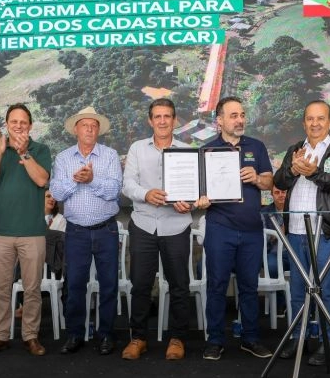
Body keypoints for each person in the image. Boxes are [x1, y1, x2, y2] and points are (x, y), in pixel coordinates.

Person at [121, 98, 209, 360]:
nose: (162, 121)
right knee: (140, 285)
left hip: (176, 225)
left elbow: (197, 189)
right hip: (144, 224)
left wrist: (189, 203)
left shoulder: (188, 151)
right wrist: (146, 194)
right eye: (157, 116)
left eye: (167, 116)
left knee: (179, 285)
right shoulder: (137, 149)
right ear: (150, 121)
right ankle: (138, 338)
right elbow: (127, 185)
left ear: (174, 120)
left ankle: (178, 339)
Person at [273, 100, 330, 365]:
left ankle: (329, 342)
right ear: (304, 122)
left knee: (326, 289)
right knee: (297, 290)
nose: (315, 123)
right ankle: (299, 338)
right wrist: (292, 169)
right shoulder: (295, 149)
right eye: (310, 119)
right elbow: (279, 181)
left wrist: (314, 173)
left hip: (325, 230)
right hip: (295, 230)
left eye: (320, 119)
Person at [202, 96, 274, 360]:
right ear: (219, 120)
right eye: (233, 115)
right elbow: (200, 191)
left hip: (252, 230)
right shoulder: (207, 150)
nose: (240, 120)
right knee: (217, 285)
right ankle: (215, 340)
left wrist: (256, 178)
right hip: (219, 228)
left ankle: (251, 338)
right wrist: (201, 199)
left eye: (242, 114)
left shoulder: (256, 146)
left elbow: (269, 181)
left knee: (249, 286)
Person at [0, 103, 51, 357]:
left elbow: (42, 180)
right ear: (7, 124)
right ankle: (0, 336)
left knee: (32, 288)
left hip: (33, 231)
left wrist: (24, 153)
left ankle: (30, 336)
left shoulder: (41, 149)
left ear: (30, 125)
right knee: (0, 287)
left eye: (23, 122)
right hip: (2, 232)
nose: (19, 126)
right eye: (14, 122)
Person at [50, 106, 122, 355]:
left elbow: (114, 191)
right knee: (74, 285)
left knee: (109, 285)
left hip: (106, 230)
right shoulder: (63, 158)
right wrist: (75, 179)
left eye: (94, 126)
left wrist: (91, 180)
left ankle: (106, 335)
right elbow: (57, 193)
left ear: (98, 130)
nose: (90, 129)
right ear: (76, 130)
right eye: (85, 125)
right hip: (76, 232)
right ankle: (75, 335)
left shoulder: (110, 155)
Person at [260, 185, 289, 318]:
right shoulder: (264, 212)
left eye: (283, 192)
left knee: (308, 264)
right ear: (271, 195)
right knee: (271, 265)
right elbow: (263, 241)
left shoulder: (295, 208)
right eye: (277, 192)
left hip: (295, 253)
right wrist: (277, 233)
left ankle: (307, 306)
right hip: (274, 253)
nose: (281, 195)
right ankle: (280, 303)